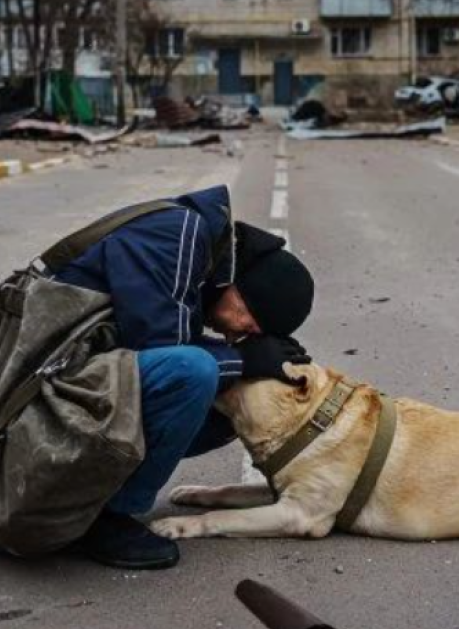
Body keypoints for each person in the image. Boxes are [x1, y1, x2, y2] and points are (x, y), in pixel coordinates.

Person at [54, 185, 315, 569]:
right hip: (47, 381)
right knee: (197, 372)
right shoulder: (180, 234)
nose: (236, 333)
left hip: (79, 375)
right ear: (241, 292)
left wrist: (245, 365)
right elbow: (162, 349)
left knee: (229, 400)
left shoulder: (200, 256)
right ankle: (106, 519)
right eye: (248, 323)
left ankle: (91, 490)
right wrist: (244, 359)